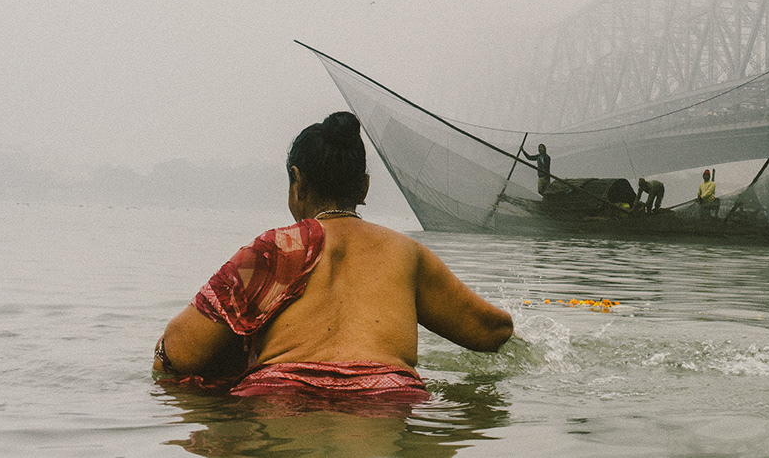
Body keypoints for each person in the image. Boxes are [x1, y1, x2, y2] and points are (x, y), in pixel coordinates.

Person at [153, 111, 513, 401]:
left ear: (298, 181)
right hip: (388, 398)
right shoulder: (408, 254)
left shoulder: (276, 248)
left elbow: (178, 354)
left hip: (281, 399)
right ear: (365, 186)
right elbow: (492, 332)